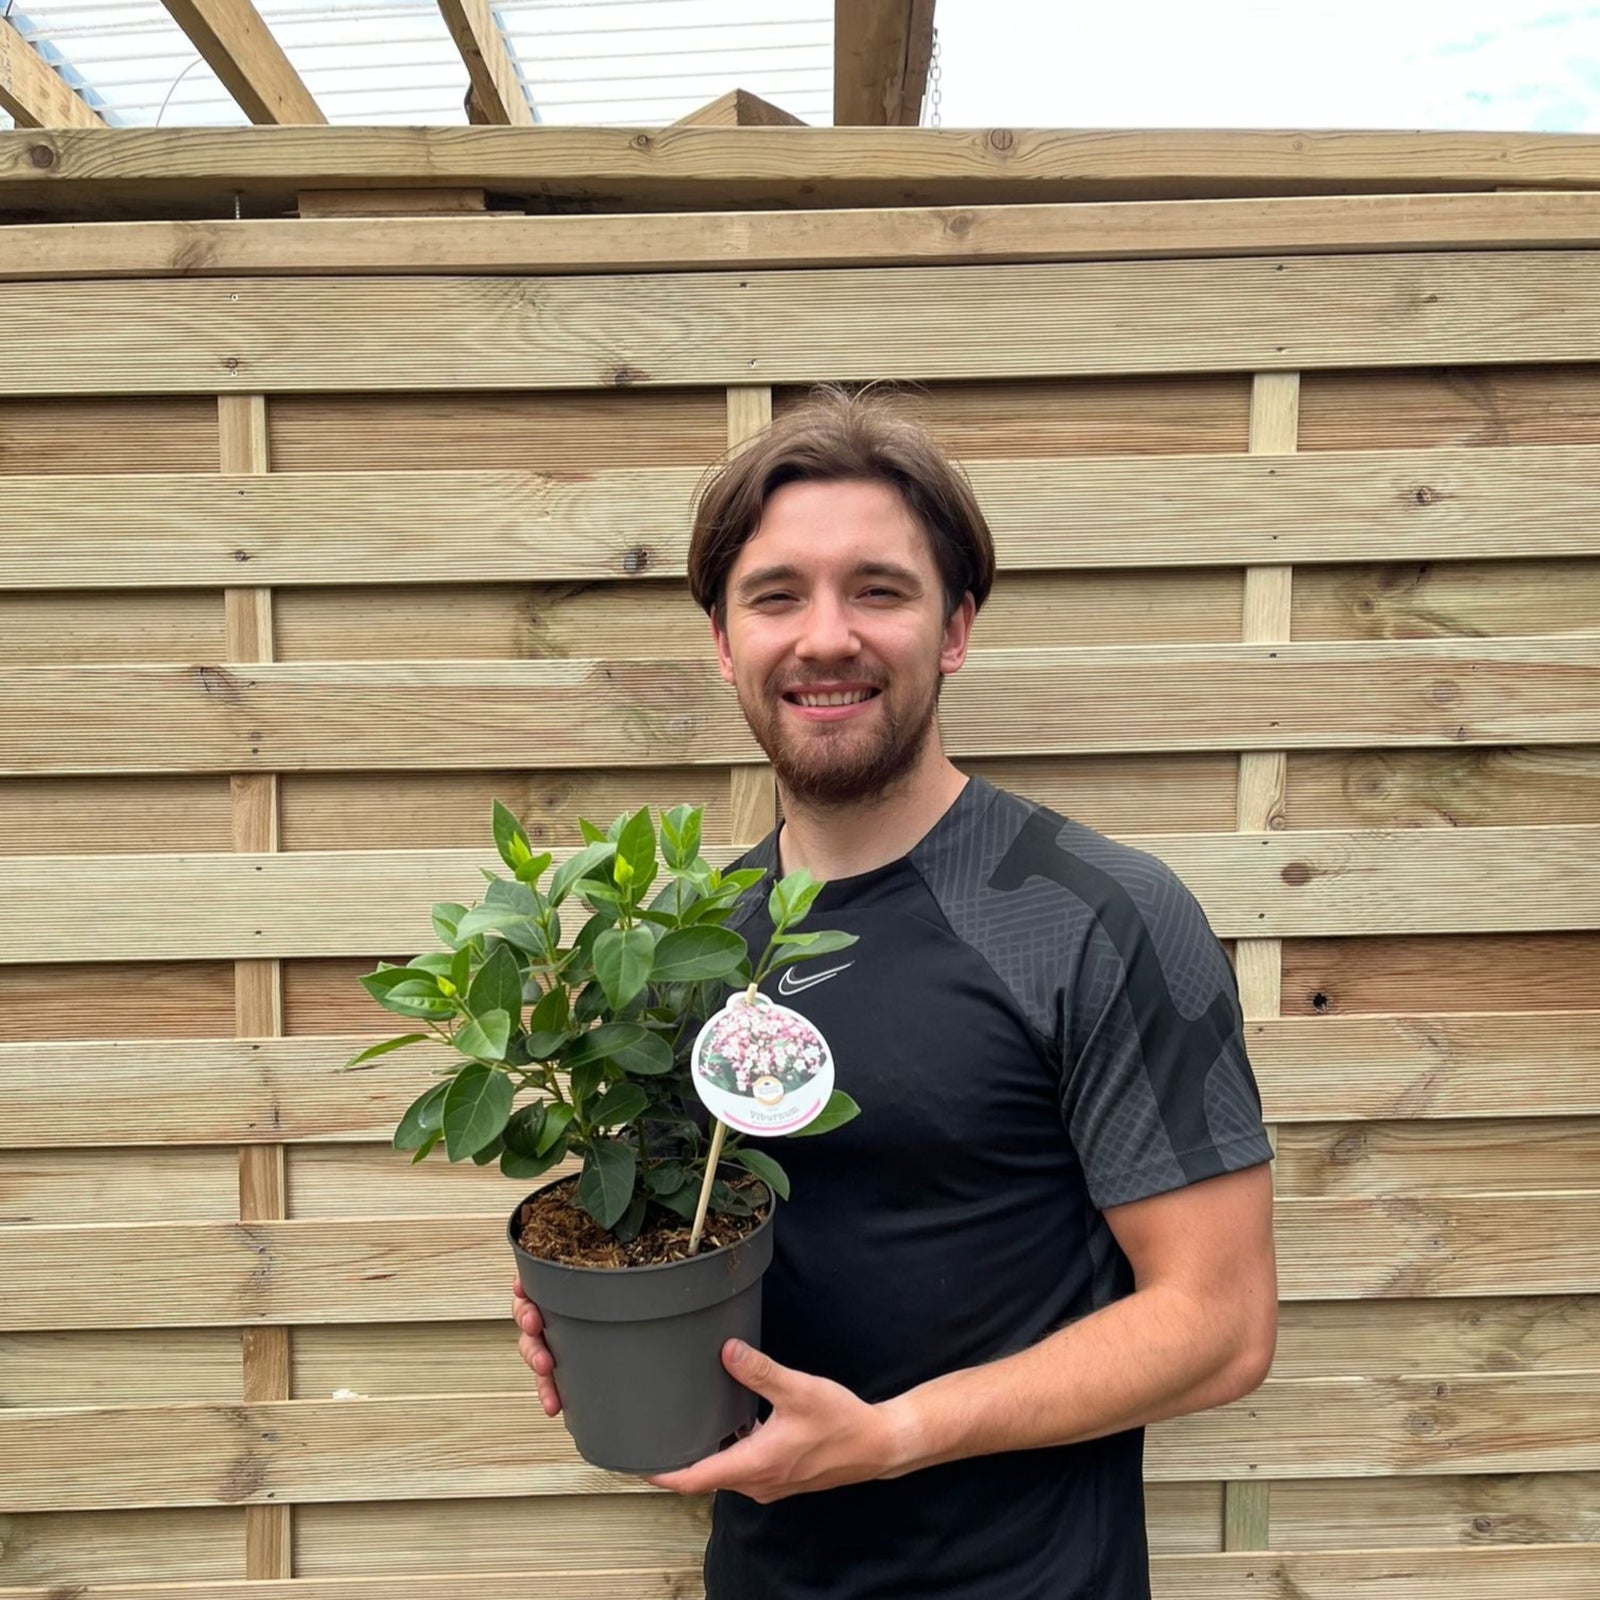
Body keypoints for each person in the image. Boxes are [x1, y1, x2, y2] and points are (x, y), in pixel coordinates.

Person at [514, 387, 1278, 1600]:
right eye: (776, 596)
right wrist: (601, 1293)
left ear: (955, 627)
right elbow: (711, 1234)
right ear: (723, 643)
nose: (825, 637)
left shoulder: (1089, 914)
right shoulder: (682, 949)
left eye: (878, 588)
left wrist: (893, 1435)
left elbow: (1219, 1325)